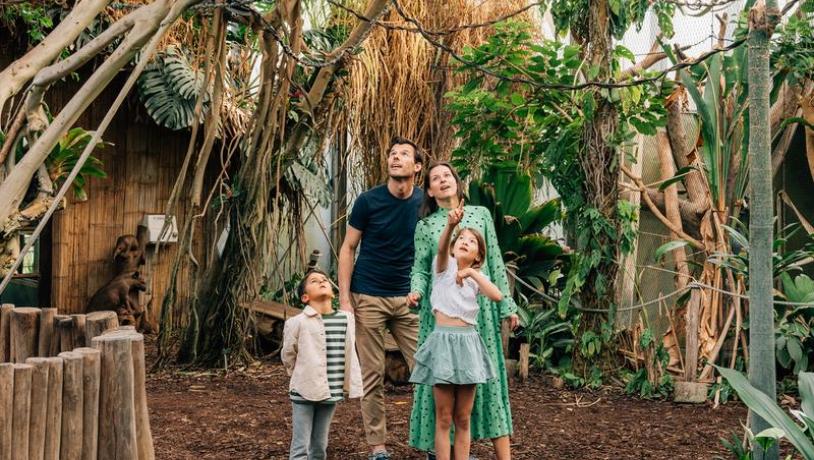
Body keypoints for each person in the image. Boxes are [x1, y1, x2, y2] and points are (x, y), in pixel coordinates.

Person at [407, 161, 520, 460]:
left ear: (457, 182)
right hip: (439, 321)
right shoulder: (426, 226)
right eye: (435, 178)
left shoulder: (480, 215)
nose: (443, 180)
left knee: (490, 385)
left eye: (448, 175)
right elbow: (421, 268)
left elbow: (494, 262)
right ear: (429, 190)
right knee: (443, 395)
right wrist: (416, 291)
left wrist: (507, 306)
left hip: (477, 315)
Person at [338, 136, 424, 460]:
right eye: (392, 154)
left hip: (408, 300)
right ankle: (378, 447)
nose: (395, 158)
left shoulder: (424, 203)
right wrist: (345, 300)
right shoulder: (368, 201)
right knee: (372, 376)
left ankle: (431, 441)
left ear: (416, 166)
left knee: (427, 372)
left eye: (403, 154)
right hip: (368, 296)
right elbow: (348, 248)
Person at [282, 269, 364, 460]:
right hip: (304, 391)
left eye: (324, 280)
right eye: (314, 281)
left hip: (330, 392)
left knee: (319, 446)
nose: (321, 282)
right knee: (300, 447)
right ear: (305, 297)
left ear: (333, 292)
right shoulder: (297, 322)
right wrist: (300, 375)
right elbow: (288, 354)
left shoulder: (346, 319)